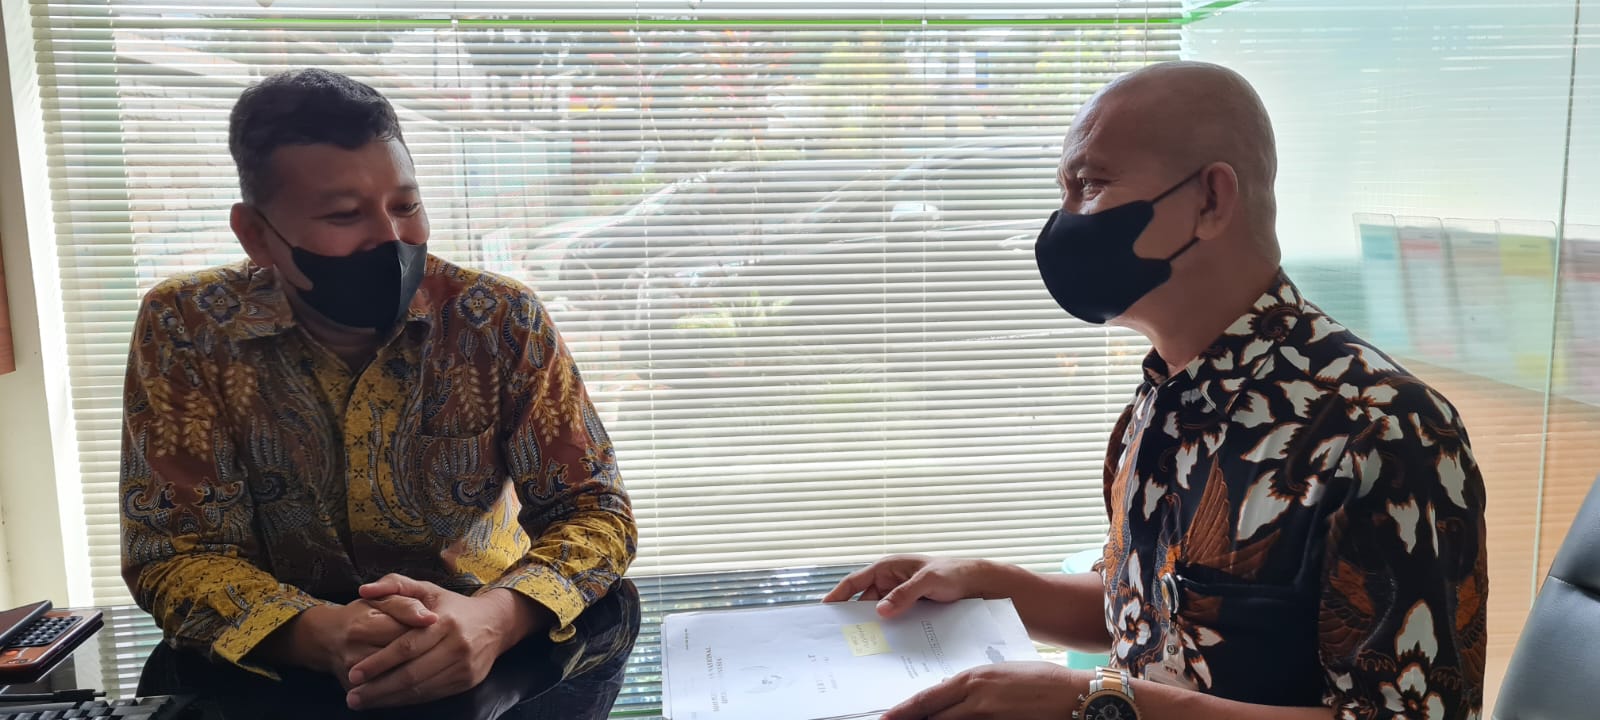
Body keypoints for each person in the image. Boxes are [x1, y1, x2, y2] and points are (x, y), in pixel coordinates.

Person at [826, 61, 1488, 720]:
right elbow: (1152, 615)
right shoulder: (1163, 401)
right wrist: (988, 588)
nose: (1063, 221)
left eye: (1090, 185)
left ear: (1210, 201)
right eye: (1064, 191)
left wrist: (1096, 703)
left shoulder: (1382, 430)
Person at [118, 68, 639, 718]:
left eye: (406, 205)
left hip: (496, 653)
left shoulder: (498, 319)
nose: (390, 238)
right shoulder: (188, 327)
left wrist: (496, 619)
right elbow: (174, 552)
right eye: (344, 215)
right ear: (256, 235)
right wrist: (322, 634)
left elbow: (595, 513)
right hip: (280, 676)